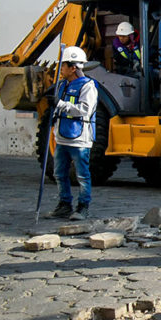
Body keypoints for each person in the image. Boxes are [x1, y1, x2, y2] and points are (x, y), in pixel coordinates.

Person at [47, 46, 98, 221]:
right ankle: (64, 205)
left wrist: (60, 104)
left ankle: (83, 207)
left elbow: (84, 109)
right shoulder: (62, 85)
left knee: (82, 175)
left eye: (63, 66)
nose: (61, 69)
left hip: (80, 140)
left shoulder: (88, 87)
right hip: (62, 138)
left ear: (73, 68)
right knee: (59, 174)